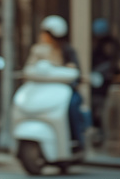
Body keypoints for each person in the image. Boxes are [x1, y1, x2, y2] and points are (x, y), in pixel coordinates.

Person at [25, 15, 86, 151]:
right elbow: (30, 67)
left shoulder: (67, 50)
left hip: (65, 91)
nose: (43, 36)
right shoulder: (38, 49)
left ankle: (76, 140)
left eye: (46, 34)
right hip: (43, 90)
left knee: (72, 106)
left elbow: (75, 71)